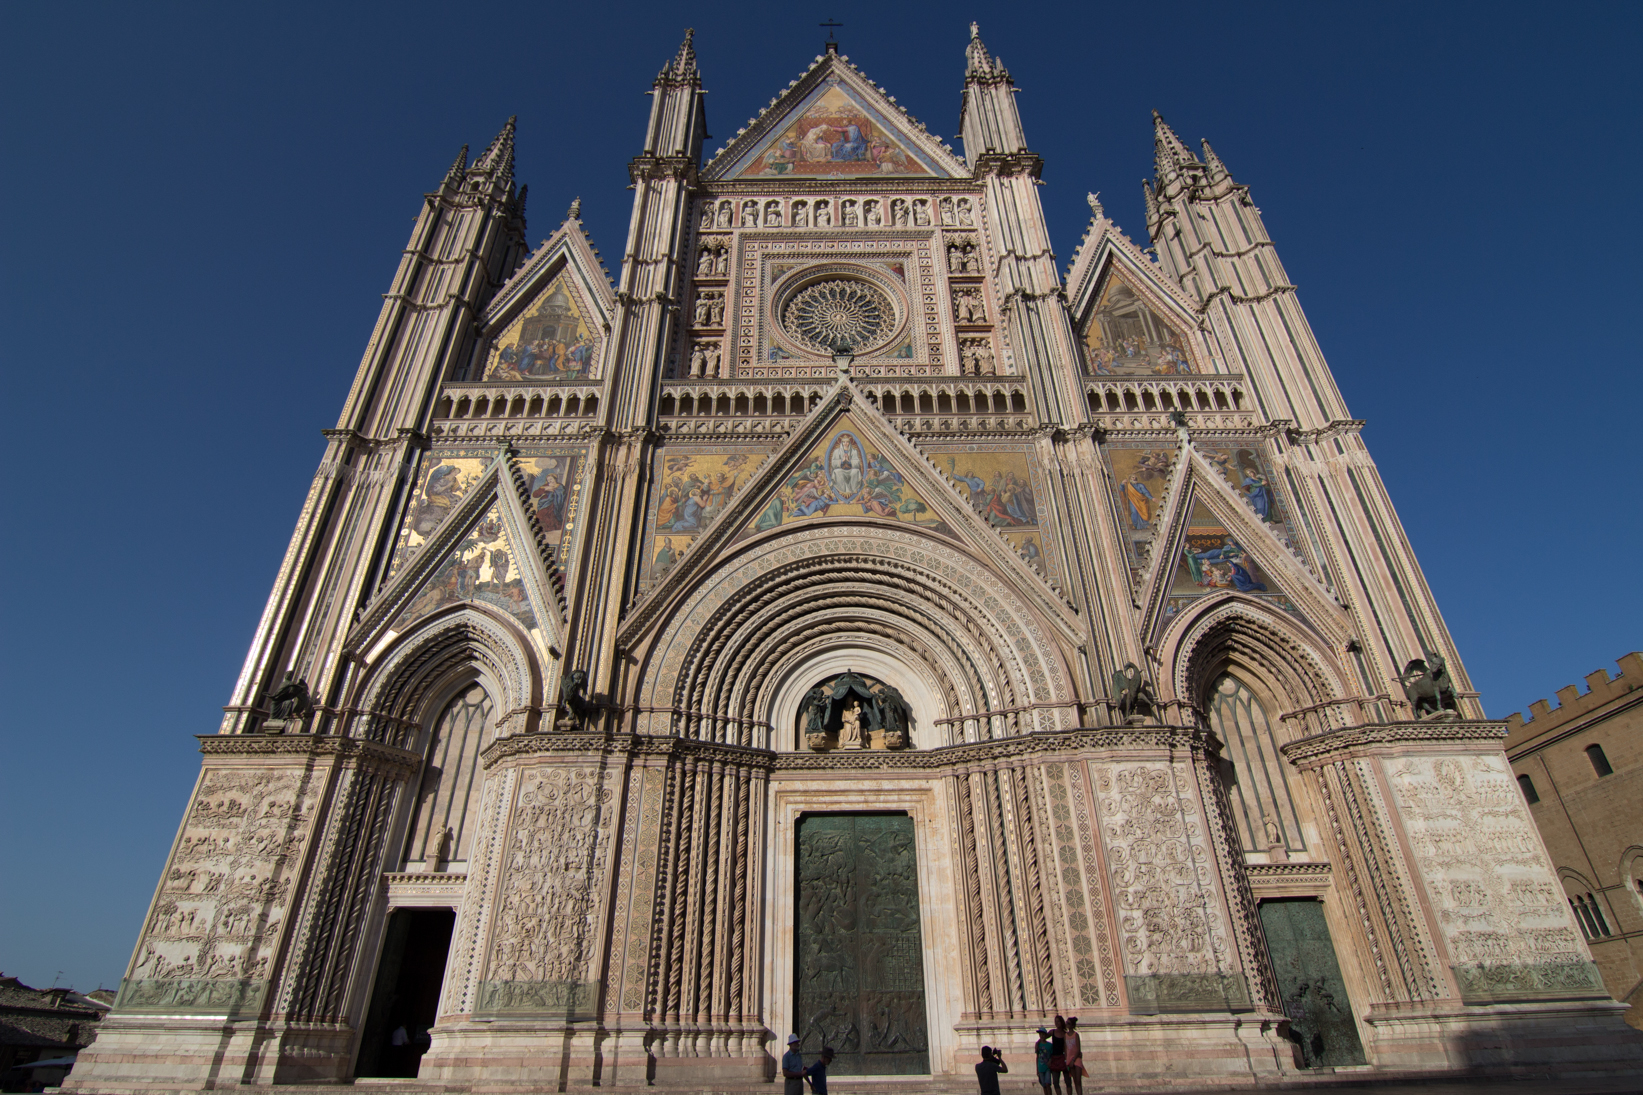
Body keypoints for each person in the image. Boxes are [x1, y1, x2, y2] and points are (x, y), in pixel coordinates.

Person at [1034, 1027, 1060, 1095]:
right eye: (1040, 1034)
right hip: (1040, 1067)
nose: (1042, 1036)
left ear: (1046, 1035)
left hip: (1047, 1067)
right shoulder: (1038, 1045)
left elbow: (1052, 1055)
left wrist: (1050, 1061)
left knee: (1048, 1084)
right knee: (1044, 1085)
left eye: (1043, 1034)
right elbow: (1037, 1057)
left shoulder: (1049, 1045)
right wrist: (1037, 1069)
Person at [1064, 1017, 1085, 1095]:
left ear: (1072, 1025)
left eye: (1069, 1023)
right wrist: (1066, 1060)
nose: (1067, 1024)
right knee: (1075, 1081)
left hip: (1076, 1059)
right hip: (1069, 1060)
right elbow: (1066, 1049)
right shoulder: (1065, 1036)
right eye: (1067, 1023)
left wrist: (1073, 1059)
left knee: (1078, 1081)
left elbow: (1078, 1049)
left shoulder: (1076, 1035)